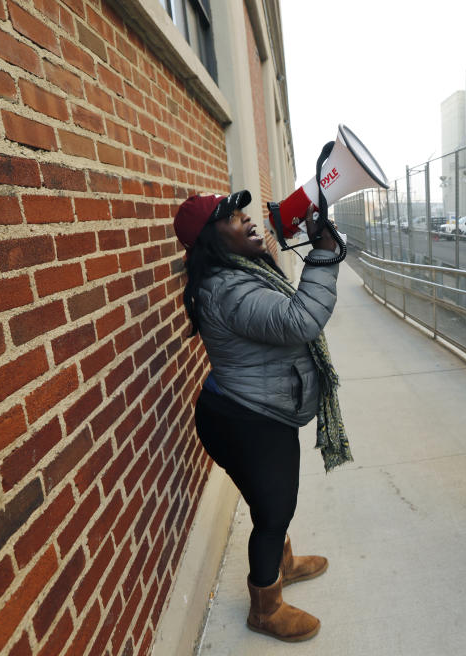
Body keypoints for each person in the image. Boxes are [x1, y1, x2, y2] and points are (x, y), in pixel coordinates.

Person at [173, 190, 351, 642]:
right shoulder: (226, 288)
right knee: (274, 510)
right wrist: (324, 256)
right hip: (245, 418)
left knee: (271, 503)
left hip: (253, 409)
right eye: (232, 217)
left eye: (242, 212)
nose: (246, 219)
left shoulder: (238, 272)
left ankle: (281, 565)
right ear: (212, 240)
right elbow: (298, 321)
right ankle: (265, 609)